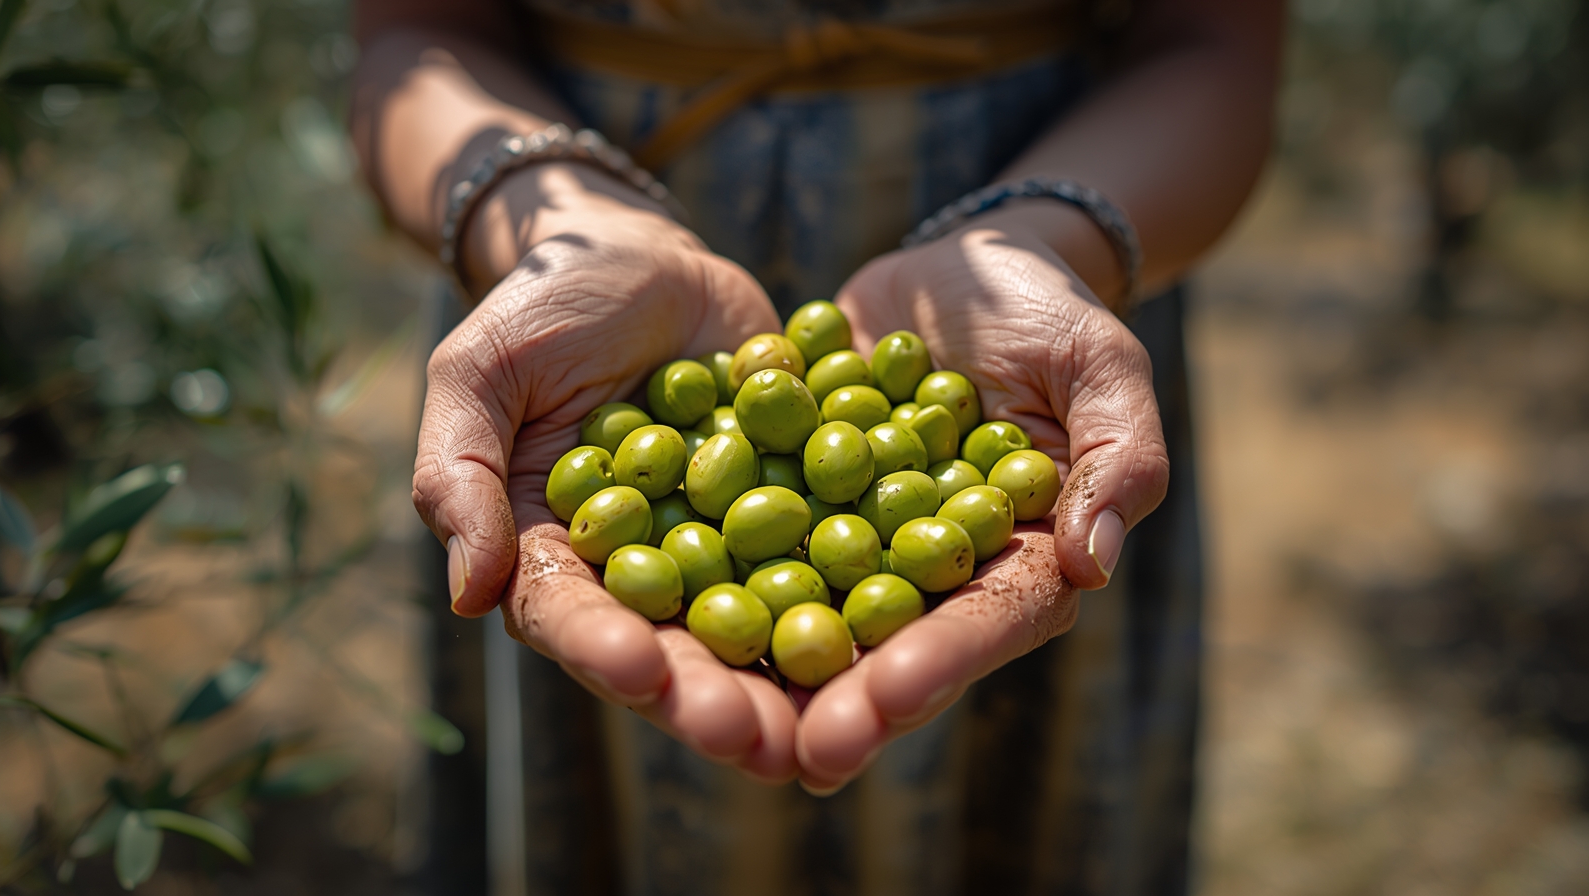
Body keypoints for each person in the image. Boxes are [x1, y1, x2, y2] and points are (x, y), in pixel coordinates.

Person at [353, 1, 1279, 892]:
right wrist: (549, 227)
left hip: (1065, 235)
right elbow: (421, 33)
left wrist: (1050, 240)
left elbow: (1211, 39)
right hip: (586, 316)